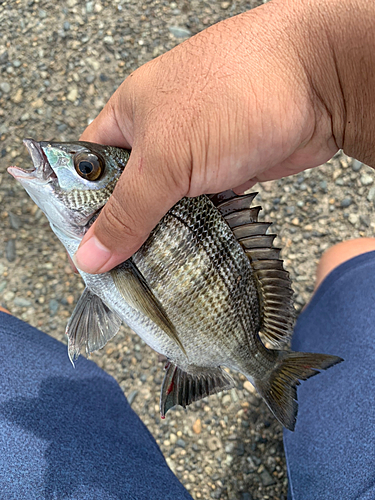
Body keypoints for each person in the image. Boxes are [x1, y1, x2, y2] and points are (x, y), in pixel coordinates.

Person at [2, 0, 375, 498]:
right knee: (345, 261)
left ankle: (268, 366)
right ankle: (270, 365)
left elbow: (125, 301)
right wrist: (318, 74)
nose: (57, 159)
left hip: (194, 338)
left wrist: (319, 73)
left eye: (88, 169)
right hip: (195, 335)